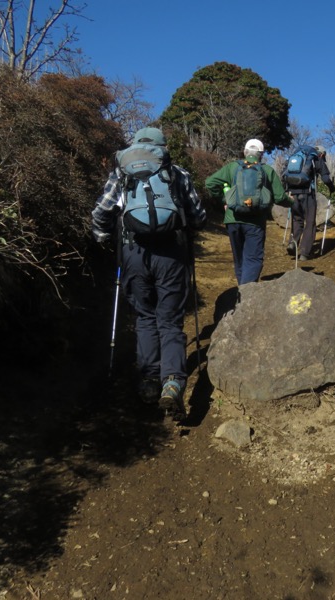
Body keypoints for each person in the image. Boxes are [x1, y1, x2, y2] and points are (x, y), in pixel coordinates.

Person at [91, 127, 207, 421]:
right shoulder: (176, 172)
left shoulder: (122, 172)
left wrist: (102, 235)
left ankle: (148, 380)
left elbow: (101, 212)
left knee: (145, 316)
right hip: (171, 254)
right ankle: (172, 382)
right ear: (162, 148)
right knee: (169, 319)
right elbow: (197, 215)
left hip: (133, 253)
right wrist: (192, 229)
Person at [205, 139, 292, 285]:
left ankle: (241, 293)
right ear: (261, 154)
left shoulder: (232, 167)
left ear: (245, 152)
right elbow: (279, 197)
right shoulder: (267, 170)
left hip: (233, 219)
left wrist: (224, 200)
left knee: (239, 260)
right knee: (253, 259)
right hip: (255, 222)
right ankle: (246, 295)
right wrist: (292, 202)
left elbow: (210, 183)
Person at [286, 145, 335, 261]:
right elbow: (326, 179)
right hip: (308, 194)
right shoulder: (316, 158)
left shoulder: (297, 156)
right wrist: (332, 188)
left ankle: (293, 243)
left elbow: (285, 174)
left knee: (297, 219)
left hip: (293, 194)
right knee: (310, 222)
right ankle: (304, 252)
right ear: (322, 154)